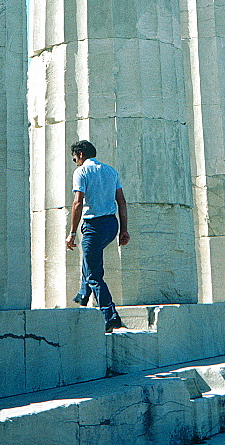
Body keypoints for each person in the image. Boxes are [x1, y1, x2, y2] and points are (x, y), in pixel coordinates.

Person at [65, 140, 129, 332]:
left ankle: (110, 316)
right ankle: (83, 295)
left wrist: (72, 233)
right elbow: (122, 201)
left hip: (94, 225)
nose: (74, 160)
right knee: (90, 259)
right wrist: (124, 230)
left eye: (74, 157)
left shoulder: (81, 171)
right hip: (111, 225)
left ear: (80, 154)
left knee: (94, 274)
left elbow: (78, 203)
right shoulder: (111, 171)